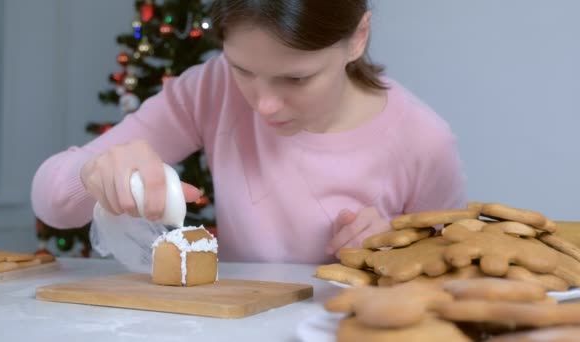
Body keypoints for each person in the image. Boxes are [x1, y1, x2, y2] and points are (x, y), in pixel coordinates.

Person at [31, 0, 466, 264]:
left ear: (358, 37)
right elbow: (52, 204)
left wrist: (399, 249)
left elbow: (456, 271)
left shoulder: (424, 140)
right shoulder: (211, 87)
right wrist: (92, 174)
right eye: (242, 69)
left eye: (296, 79)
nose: (264, 104)